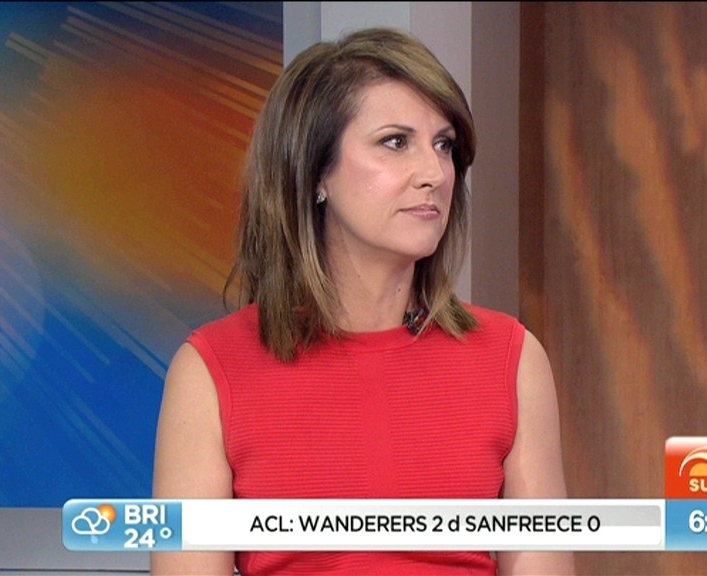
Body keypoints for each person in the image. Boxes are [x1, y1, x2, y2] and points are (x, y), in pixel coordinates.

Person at [151, 27, 573, 576]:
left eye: (444, 145)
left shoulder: (511, 360)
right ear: (316, 172)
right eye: (396, 142)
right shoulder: (212, 370)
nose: (434, 174)